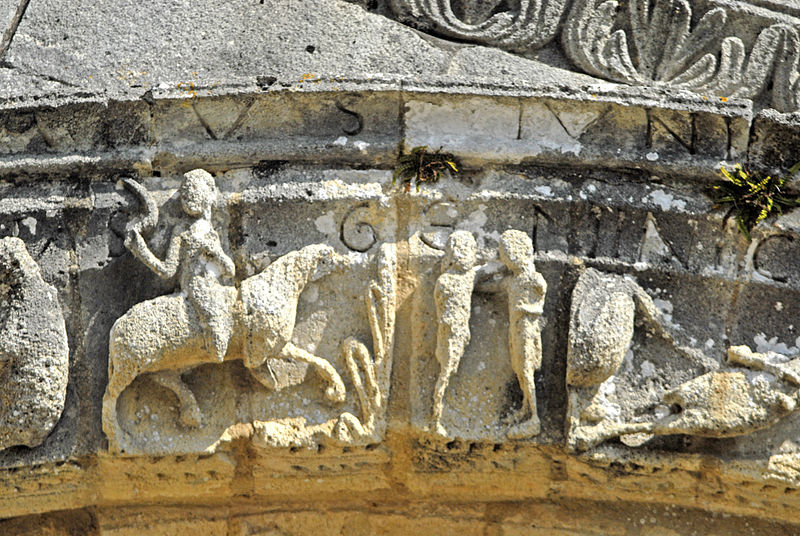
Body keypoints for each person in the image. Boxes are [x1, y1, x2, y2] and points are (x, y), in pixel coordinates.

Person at [125, 169, 236, 362]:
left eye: (194, 189)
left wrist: (215, 252)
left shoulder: (211, 232)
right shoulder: (181, 231)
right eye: (185, 190)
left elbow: (231, 270)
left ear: (210, 194)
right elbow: (168, 270)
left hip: (216, 288)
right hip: (197, 288)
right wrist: (141, 251)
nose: (188, 194)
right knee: (217, 335)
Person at [481, 230, 546, 439]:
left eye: (506, 255)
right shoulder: (513, 282)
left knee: (527, 369)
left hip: (527, 329)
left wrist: (525, 309)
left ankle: (534, 417)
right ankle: (525, 409)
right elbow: (490, 287)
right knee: (520, 369)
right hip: (516, 329)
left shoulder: (533, 279)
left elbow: (540, 295)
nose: (505, 260)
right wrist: (474, 277)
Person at [431, 231, 479, 437]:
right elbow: (442, 307)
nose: (464, 254)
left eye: (468, 249)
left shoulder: (467, 278)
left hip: (459, 332)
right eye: (460, 249)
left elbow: (486, 271)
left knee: (450, 370)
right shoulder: (447, 280)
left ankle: (442, 412)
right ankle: (436, 416)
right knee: (446, 371)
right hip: (450, 333)